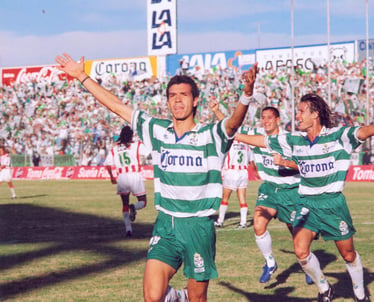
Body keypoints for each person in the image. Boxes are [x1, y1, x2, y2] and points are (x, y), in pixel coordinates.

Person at [55, 53, 257, 302]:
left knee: (198, 298)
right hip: (166, 224)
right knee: (152, 297)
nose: (177, 100)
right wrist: (82, 77)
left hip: (198, 226)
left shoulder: (210, 135)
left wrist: (246, 95)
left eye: (183, 95)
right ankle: (178, 297)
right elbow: (118, 106)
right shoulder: (157, 130)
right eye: (172, 96)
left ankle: (185, 297)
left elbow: (233, 123)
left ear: (195, 101)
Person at [238, 93, 374, 301]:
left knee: (348, 254)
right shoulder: (295, 140)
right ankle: (325, 290)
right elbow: (262, 140)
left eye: (301, 111)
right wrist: (230, 133)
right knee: (300, 250)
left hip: (332, 203)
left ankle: (360, 294)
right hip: (307, 203)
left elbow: (361, 132)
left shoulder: (337, 136)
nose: (297, 116)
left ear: (315, 114)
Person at [235, 107, 313, 285]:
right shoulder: (257, 134)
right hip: (269, 190)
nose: (266, 121)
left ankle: (307, 263)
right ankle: (270, 263)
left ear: (278, 120)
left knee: (297, 235)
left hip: (291, 191)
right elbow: (232, 127)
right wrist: (217, 111)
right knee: (258, 224)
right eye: (263, 118)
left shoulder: (290, 139)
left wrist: (285, 162)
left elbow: (305, 166)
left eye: (269, 118)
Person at [104, 125, 148, 237]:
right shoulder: (137, 145)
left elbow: (108, 164)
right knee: (143, 201)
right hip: (135, 175)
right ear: (131, 135)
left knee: (124, 204)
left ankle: (128, 229)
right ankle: (135, 207)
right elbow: (148, 153)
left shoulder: (114, 149)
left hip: (122, 176)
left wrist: (111, 177)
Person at [214, 138, 257, 229]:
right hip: (243, 172)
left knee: (225, 198)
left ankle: (220, 221)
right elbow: (252, 162)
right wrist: (256, 172)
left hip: (232, 172)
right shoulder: (246, 145)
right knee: (242, 199)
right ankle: (243, 222)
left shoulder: (228, 144)